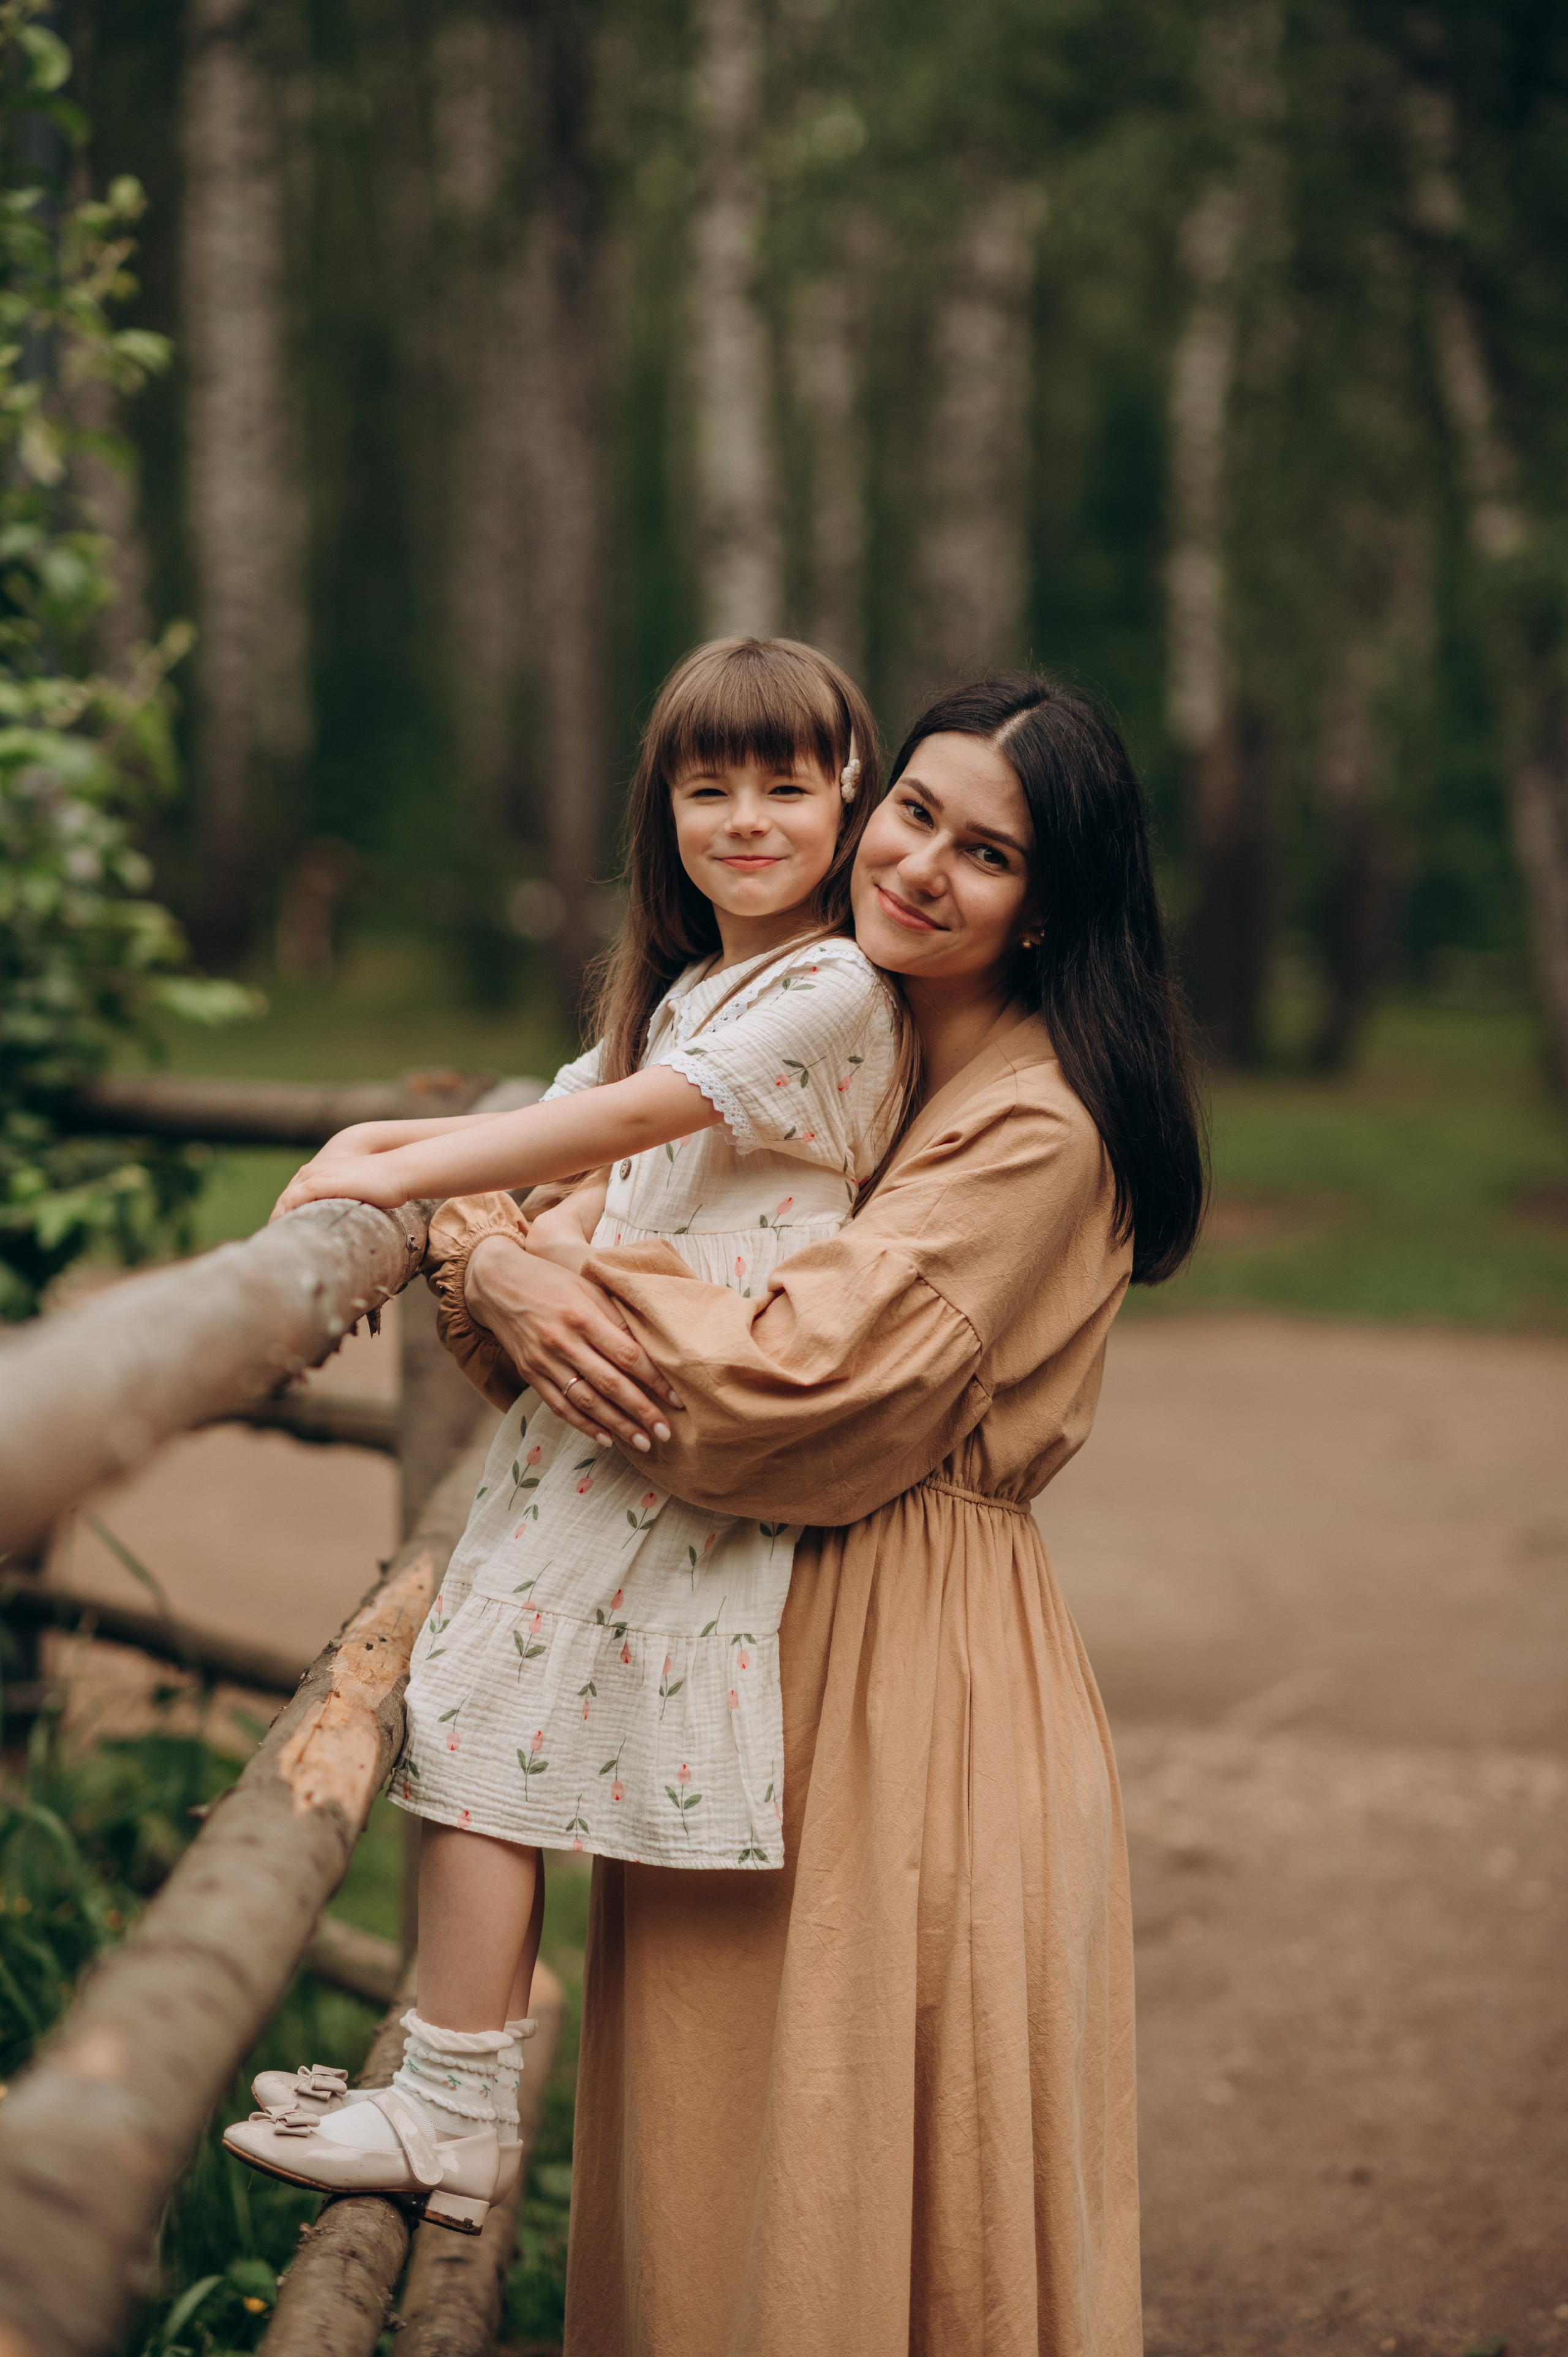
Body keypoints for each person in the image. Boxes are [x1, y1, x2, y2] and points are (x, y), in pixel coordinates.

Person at [431, 674, 1205, 2352]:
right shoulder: (834, 1036)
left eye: (985, 853)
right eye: (914, 814)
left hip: (913, 1679)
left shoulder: (1039, 1122)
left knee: (859, 2166)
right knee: (725, 2161)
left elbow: (787, 1389)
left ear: (1049, 902)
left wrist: (538, 1264)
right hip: (752, 1639)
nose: (921, 866)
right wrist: (489, 1246)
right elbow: (574, 1205)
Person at [224, 636, 912, 2233]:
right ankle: (445, 2088)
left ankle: (454, 2107)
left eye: (786, 785)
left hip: (671, 1412)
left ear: (850, 801)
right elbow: (544, 1150)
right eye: (708, 785)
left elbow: (597, 1128)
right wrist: (432, 1175)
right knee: (482, 1697)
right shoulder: (693, 988)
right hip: (606, 1417)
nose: (745, 817)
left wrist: (373, 1150)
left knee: (476, 1707)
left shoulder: (833, 988)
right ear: (662, 806)